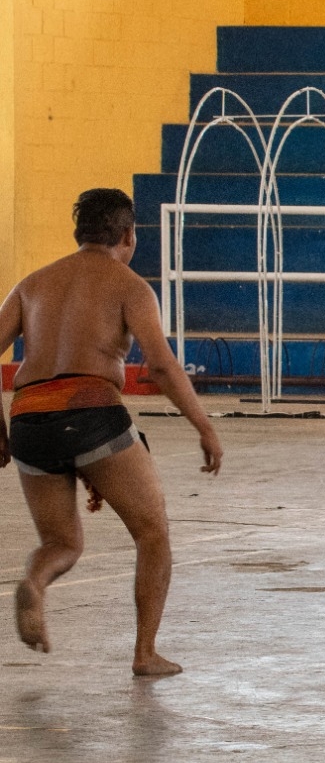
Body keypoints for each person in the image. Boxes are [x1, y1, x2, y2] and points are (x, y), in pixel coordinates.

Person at [0, 188, 222, 676]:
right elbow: (160, 367)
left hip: (29, 417)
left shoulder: (31, 284)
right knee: (152, 532)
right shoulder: (130, 286)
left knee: (62, 544)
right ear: (128, 234)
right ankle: (145, 653)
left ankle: (35, 582)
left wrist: (1, 427)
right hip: (91, 407)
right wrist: (203, 425)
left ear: (79, 233)